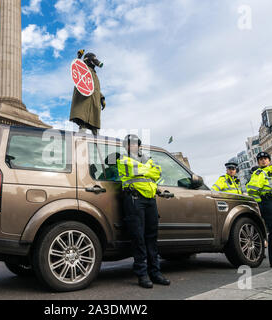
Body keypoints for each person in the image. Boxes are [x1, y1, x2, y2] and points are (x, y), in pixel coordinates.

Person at [117, 134, 170, 288]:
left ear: (138, 145)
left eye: (134, 144)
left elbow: (158, 172)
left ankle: (156, 273)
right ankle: (142, 274)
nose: (131, 146)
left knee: (152, 237)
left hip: (150, 199)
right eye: (128, 144)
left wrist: (144, 169)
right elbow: (135, 170)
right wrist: (148, 170)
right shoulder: (123, 159)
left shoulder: (147, 159)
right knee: (138, 237)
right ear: (125, 147)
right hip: (134, 199)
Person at [70, 51, 106, 136]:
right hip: (84, 99)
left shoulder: (94, 74)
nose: (95, 60)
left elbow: (96, 89)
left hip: (94, 102)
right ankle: (79, 142)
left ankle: (97, 145)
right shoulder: (84, 70)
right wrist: (79, 58)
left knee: (95, 126)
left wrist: (102, 98)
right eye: (93, 58)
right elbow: (76, 69)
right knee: (83, 122)